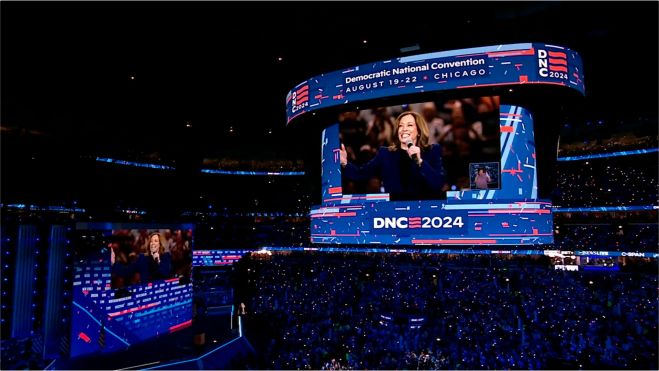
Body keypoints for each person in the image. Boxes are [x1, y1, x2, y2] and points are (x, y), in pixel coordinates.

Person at [340, 111, 446, 200]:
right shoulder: (385, 154)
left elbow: (438, 183)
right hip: (393, 213)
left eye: (409, 125)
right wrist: (344, 163)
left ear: (419, 131)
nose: (404, 129)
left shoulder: (432, 151)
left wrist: (420, 161)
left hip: (424, 211)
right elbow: (360, 174)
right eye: (400, 126)